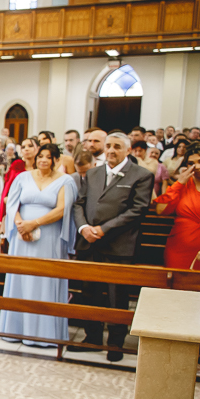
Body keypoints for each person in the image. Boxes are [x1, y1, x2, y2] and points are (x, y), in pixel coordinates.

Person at [70, 133, 154, 361]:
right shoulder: (93, 173)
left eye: (117, 147)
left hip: (118, 245)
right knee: (90, 293)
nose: (111, 150)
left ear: (128, 150)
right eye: (108, 146)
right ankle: (92, 338)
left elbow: (138, 210)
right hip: (89, 243)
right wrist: (84, 228)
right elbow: (79, 203)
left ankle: (116, 343)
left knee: (117, 296)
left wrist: (104, 229)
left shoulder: (141, 175)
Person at [0, 144, 79, 346]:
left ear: (56, 160)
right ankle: (14, 330)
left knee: (44, 280)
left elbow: (62, 209)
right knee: (21, 278)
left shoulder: (65, 181)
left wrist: (34, 223)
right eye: (40, 156)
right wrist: (20, 225)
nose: (43, 160)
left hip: (50, 238)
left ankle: (45, 335)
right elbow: (12, 204)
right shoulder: (23, 177)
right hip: (22, 237)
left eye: (48, 157)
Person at [154, 142, 200, 270]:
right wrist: (179, 183)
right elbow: (160, 210)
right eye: (191, 163)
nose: (197, 166)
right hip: (179, 249)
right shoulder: (182, 185)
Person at [0, 137, 37, 225]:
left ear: (37, 148)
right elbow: (7, 189)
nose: (26, 149)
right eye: (23, 147)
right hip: (15, 206)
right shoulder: (17, 165)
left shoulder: (41, 169)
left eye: (30, 146)